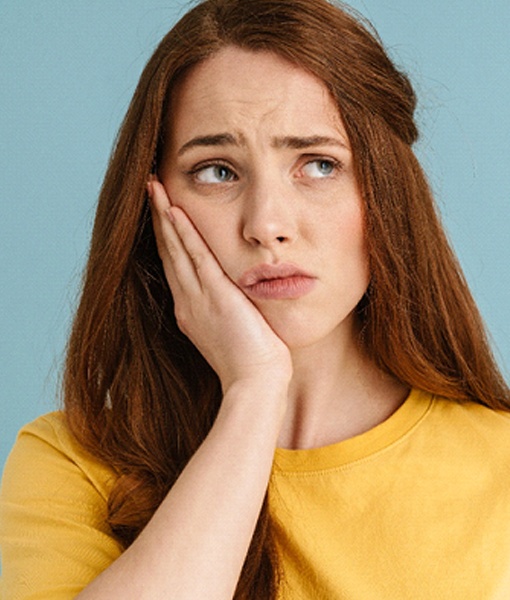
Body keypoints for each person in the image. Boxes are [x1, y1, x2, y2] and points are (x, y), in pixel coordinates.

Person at [1, 0, 509, 598]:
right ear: (155, 208)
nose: (266, 224)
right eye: (217, 171)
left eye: (319, 164)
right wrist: (255, 389)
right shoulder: (72, 463)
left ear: (387, 193)